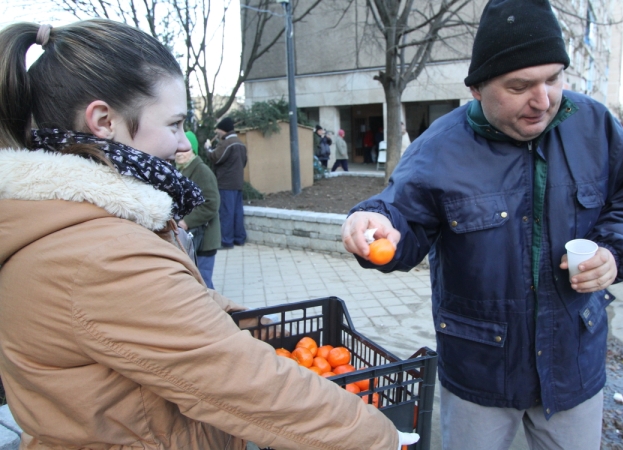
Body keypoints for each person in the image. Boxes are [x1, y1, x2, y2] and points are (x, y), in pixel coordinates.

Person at [0, 19, 417, 450]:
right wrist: (379, 437)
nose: (184, 144)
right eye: (175, 124)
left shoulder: (79, 222)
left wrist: (270, 331)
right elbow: (239, 380)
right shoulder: (98, 254)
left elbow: (178, 304)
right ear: (104, 120)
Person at [341, 1, 623, 449]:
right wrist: (376, 224)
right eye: (520, 85)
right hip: (479, 373)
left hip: (573, 363)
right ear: (477, 89)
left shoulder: (594, 126)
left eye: (553, 79)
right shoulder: (438, 149)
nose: (543, 99)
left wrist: (613, 251)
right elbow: (401, 219)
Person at [176, 147, 221, 288]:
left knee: (203, 283)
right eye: (177, 150)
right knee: (198, 282)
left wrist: (186, 221)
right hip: (193, 238)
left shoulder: (201, 171)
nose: (179, 153)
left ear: (194, 150)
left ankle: (215, 309)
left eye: (184, 150)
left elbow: (212, 204)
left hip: (204, 239)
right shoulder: (183, 169)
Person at [207, 116, 248, 248]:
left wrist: (208, 148)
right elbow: (244, 162)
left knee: (226, 212)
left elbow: (216, 158)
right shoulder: (240, 143)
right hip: (238, 183)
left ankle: (226, 241)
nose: (217, 132)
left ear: (223, 130)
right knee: (237, 212)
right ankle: (239, 238)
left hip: (225, 184)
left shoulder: (226, 143)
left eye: (218, 129)